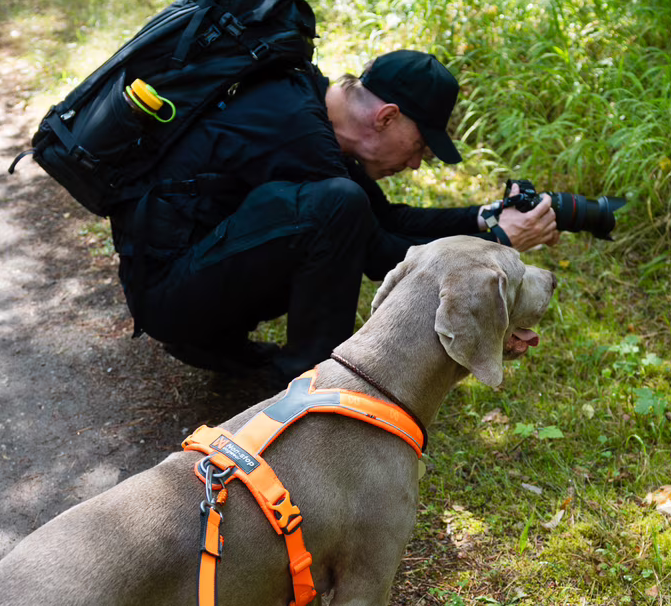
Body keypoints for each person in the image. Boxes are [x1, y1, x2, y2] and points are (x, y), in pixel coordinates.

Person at [109, 49, 558, 385]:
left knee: (345, 207)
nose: (418, 163)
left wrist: (484, 219)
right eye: (421, 145)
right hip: (167, 297)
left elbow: (387, 219)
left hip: (187, 278)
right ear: (387, 117)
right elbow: (379, 254)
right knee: (338, 206)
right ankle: (306, 390)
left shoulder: (311, 111)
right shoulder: (297, 130)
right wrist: (500, 240)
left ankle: (223, 345)